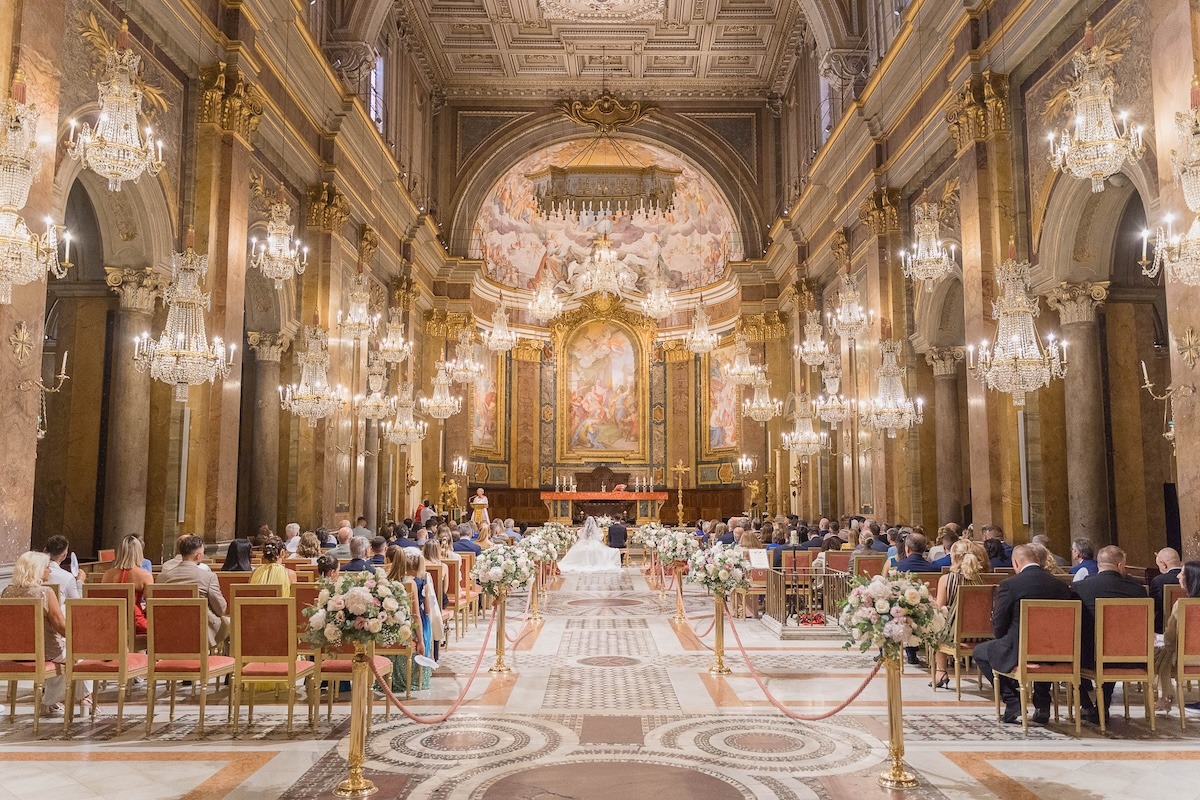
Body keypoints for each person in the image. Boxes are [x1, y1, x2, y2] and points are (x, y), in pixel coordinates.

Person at [972, 544, 1074, 725]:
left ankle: (1013, 701)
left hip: (1019, 648)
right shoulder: (1060, 585)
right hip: (1057, 649)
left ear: (1015, 563)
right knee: (1044, 650)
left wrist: (1000, 637)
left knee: (980, 652)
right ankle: (1042, 705)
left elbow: (999, 621)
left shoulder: (1010, 585)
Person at [1072, 545, 1147, 724]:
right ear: (1120, 565)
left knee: (1076, 652)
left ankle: (1087, 705)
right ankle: (1103, 705)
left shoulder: (1080, 587)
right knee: (1111, 647)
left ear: (1099, 565)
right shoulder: (1138, 590)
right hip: (1134, 656)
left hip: (1091, 657)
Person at [2, 551, 79, 716]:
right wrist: (79, 635)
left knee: (66, 656)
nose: (49, 571)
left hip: (17, 654)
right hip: (46, 651)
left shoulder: (7, 592)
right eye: (46, 567)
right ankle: (78, 699)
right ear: (37, 570)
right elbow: (60, 625)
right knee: (79, 653)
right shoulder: (45, 592)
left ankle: (51, 702)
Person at [931, 539, 988, 688]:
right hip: (982, 631)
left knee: (936, 630)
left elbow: (939, 607)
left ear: (954, 557)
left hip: (955, 633)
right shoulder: (982, 579)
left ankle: (940, 672)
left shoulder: (946, 579)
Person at [157, 535, 229, 648]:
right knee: (229, 623)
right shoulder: (208, 577)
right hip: (199, 630)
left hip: (168, 629)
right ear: (198, 556)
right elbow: (221, 609)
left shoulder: (162, 578)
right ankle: (219, 659)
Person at [1155, 560, 1200, 713]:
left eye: (1182, 573)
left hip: (1185, 657)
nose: (1178, 577)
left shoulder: (1181, 605)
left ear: (1191, 578)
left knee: (1162, 653)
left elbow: (1170, 638)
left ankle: (1165, 697)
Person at [387, 549, 428, 692]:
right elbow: (416, 615)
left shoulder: (384, 581)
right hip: (405, 629)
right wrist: (421, 641)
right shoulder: (410, 583)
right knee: (420, 639)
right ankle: (411, 680)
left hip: (387, 631)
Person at [101, 534, 154, 635]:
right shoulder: (145, 575)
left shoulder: (107, 574)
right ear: (139, 552)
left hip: (111, 622)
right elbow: (151, 605)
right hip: (135, 623)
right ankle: (140, 651)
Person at [558, 516, 622, 573]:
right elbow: (600, 538)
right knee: (600, 551)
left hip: (584, 543)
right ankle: (595, 562)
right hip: (595, 543)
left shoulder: (582, 530)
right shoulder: (598, 530)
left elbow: (579, 534)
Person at [1152, 547, 1183, 634]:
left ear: (1163, 564)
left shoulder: (1158, 581)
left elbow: (1154, 607)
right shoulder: (1193, 578)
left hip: (1163, 629)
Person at [44, 535, 81, 601]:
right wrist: (80, 581)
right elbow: (77, 604)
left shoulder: (29, 573)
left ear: (45, 551)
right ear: (64, 555)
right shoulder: (67, 577)